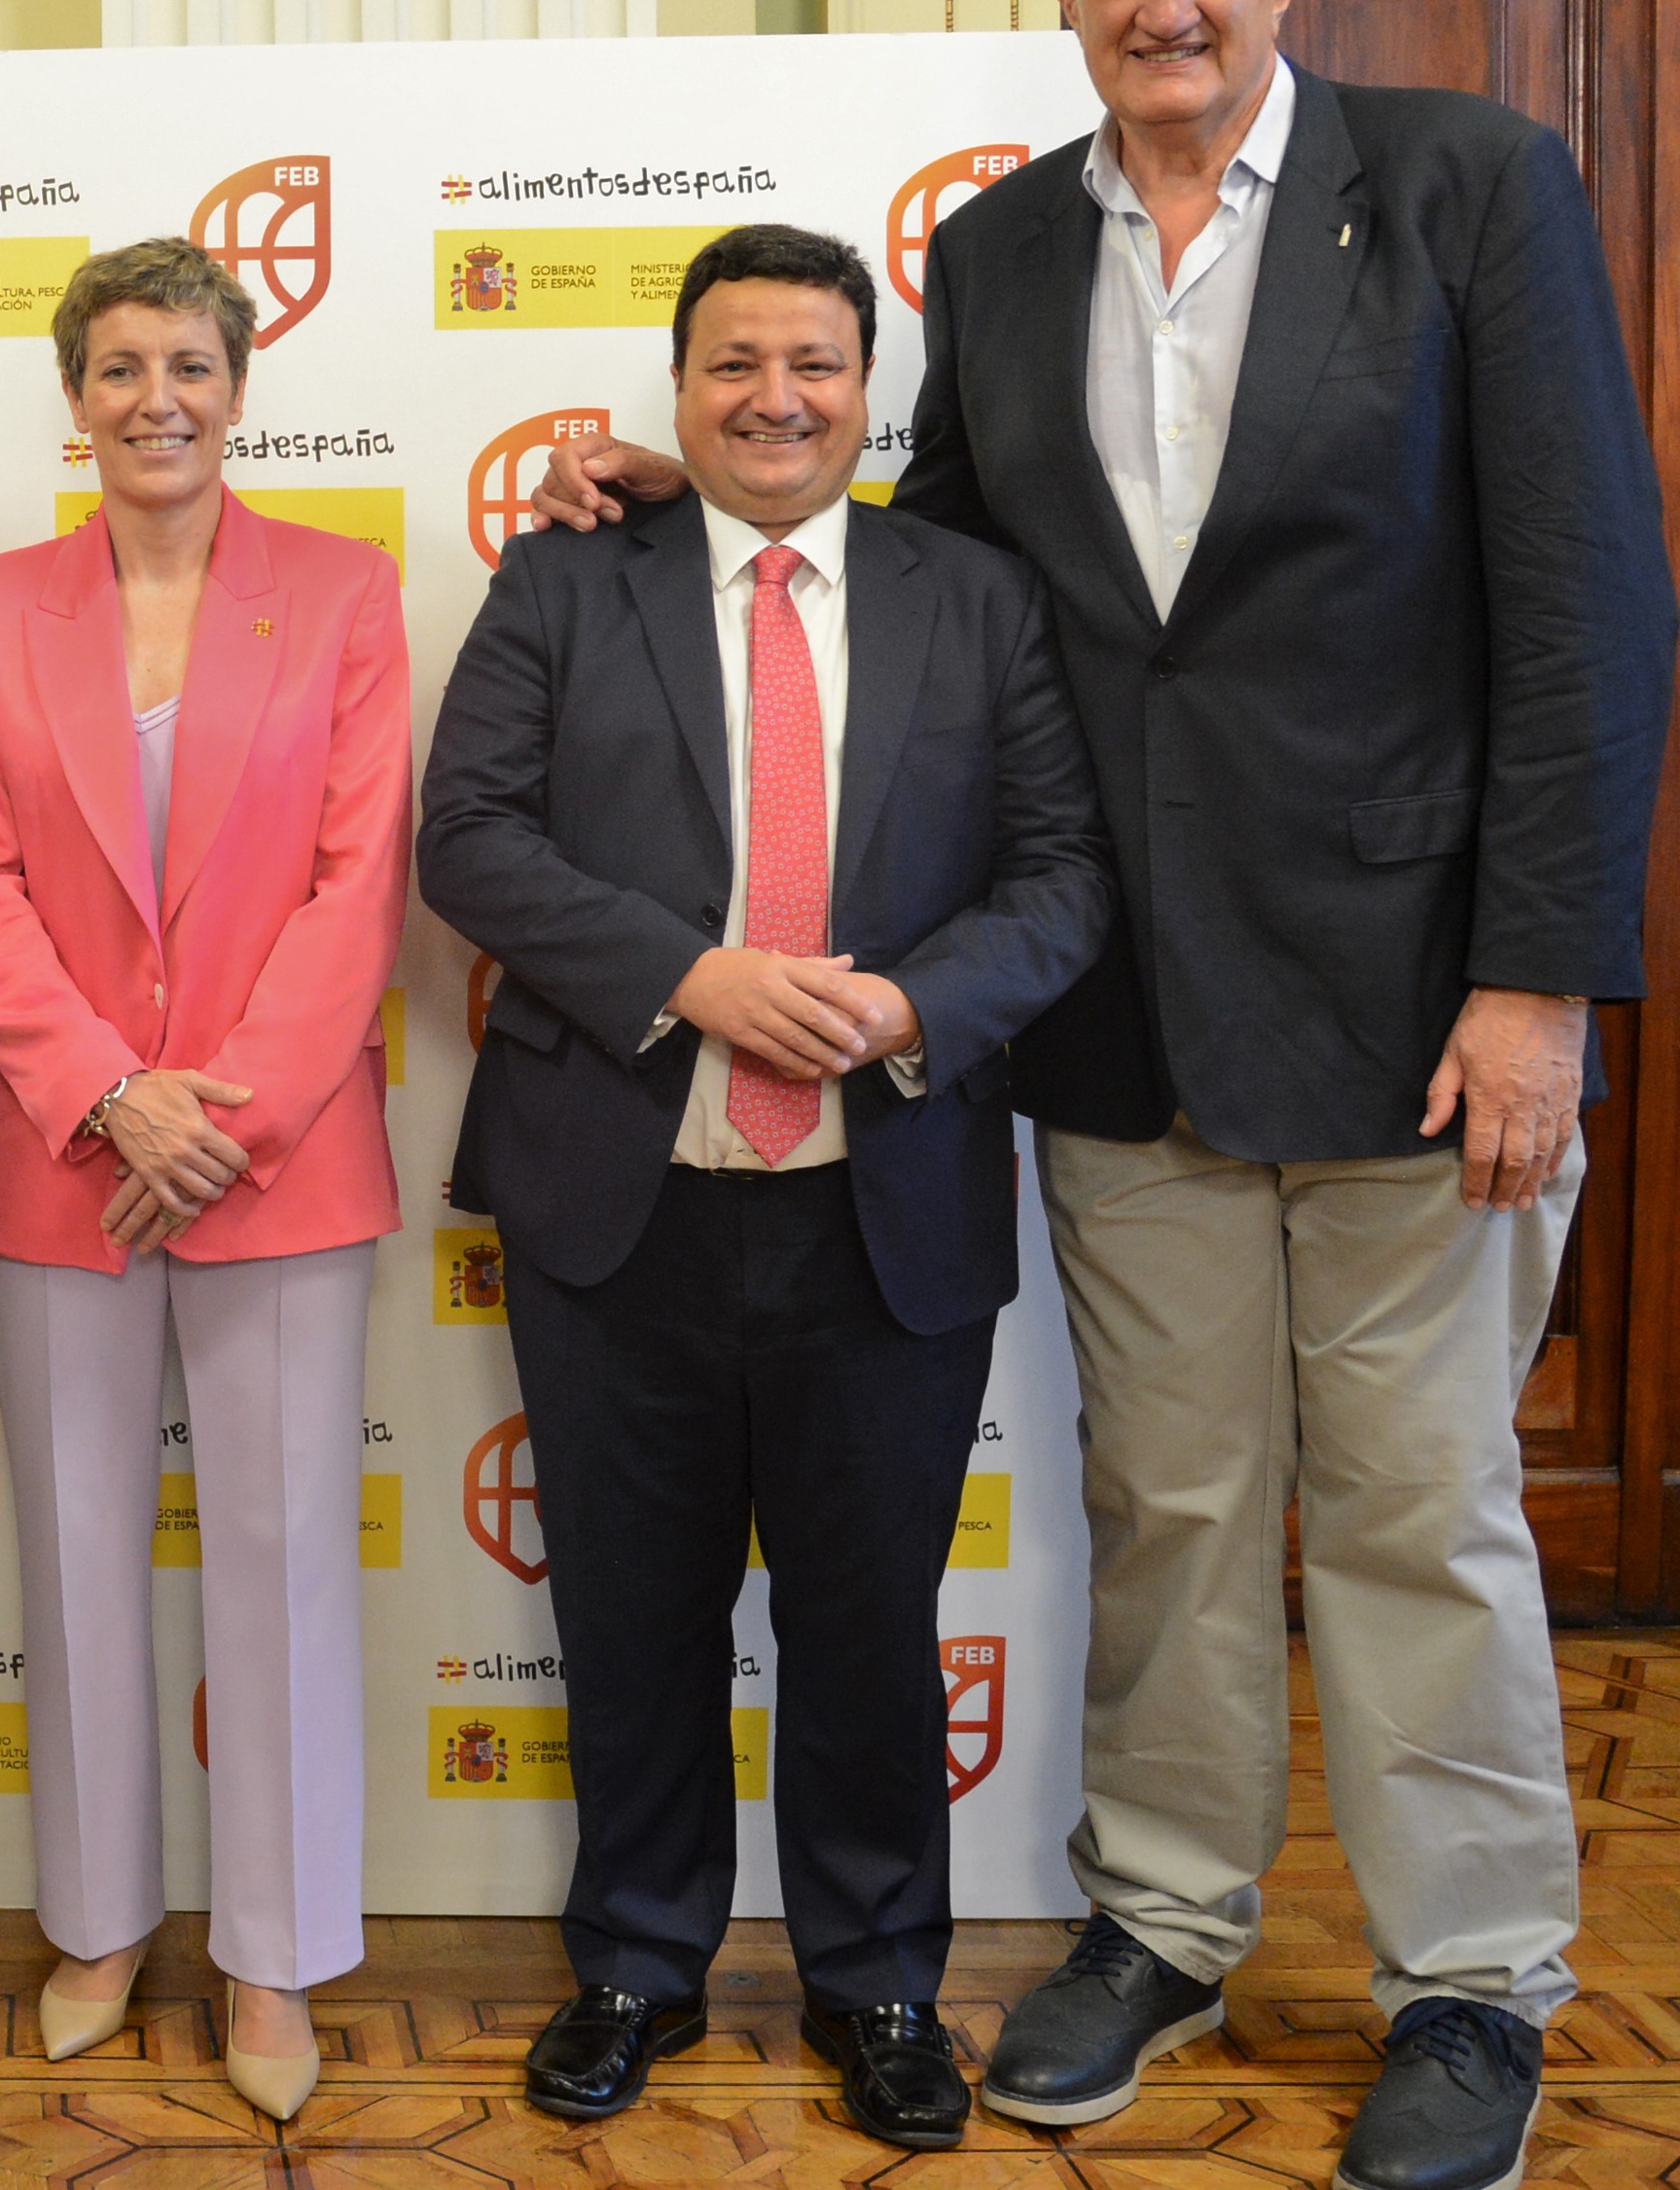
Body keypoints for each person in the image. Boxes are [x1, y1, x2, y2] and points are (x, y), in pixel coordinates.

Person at [535, 0, 1676, 2190]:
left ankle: (1469, 1981)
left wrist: (1536, 983)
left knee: (1418, 1515)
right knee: (1167, 1503)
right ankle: (1159, 1922)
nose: (1166, 2)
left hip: (1413, 1007)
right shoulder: (1002, 244)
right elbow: (950, 555)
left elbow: (1586, 601)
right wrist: (716, 497)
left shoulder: (1463, 185)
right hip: (1116, 1010)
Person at [424, 226, 1117, 2149]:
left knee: (869, 1616)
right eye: (733, 361)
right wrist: (689, 975)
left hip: (880, 1202)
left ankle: (878, 1976)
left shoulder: (975, 599)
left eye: (813, 361)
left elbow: (1064, 873)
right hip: (616, 1198)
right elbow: (465, 834)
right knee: (629, 1609)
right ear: (677, 384)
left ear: (866, 388)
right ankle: (636, 1964)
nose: (774, 397)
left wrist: (907, 1004)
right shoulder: (566, 578)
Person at [0, 237, 411, 2122]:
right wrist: (115, 1100)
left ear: (238, 384)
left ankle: (272, 1954)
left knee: (283, 1564)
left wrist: (222, 1118)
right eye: (118, 367)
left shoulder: (343, 593)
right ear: (73, 397)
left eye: (189, 363)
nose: (156, 400)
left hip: (278, 1160)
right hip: (64, 1157)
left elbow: (357, 884)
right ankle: (98, 1921)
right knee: (72, 1558)